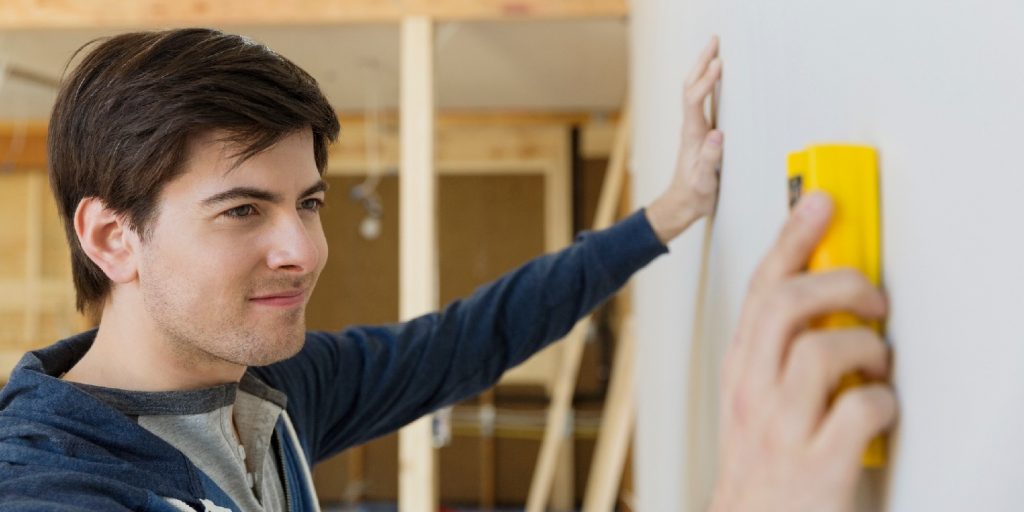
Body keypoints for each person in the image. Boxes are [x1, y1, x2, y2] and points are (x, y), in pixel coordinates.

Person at [0, 29, 895, 512]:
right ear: (113, 239)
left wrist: (667, 213)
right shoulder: (49, 486)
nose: (303, 250)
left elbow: (470, 339)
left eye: (308, 203)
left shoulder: (268, 395)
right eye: (243, 210)